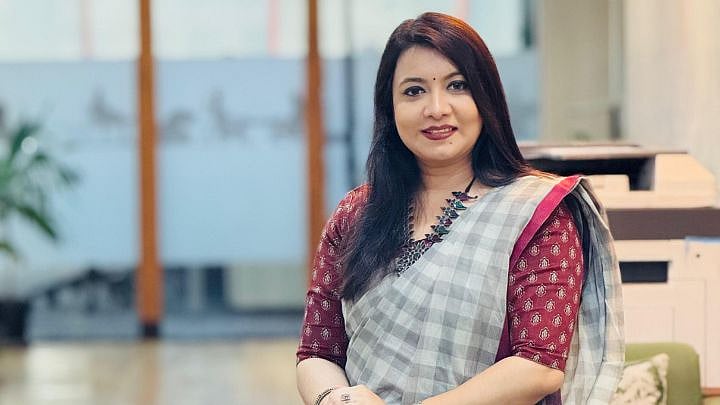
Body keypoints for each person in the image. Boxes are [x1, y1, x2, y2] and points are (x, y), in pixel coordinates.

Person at [296, 12, 624, 405]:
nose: (437, 108)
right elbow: (317, 352)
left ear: (486, 98)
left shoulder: (536, 213)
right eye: (414, 91)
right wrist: (334, 398)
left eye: (457, 85)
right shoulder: (356, 213)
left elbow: (539, 365)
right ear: (390, 107)